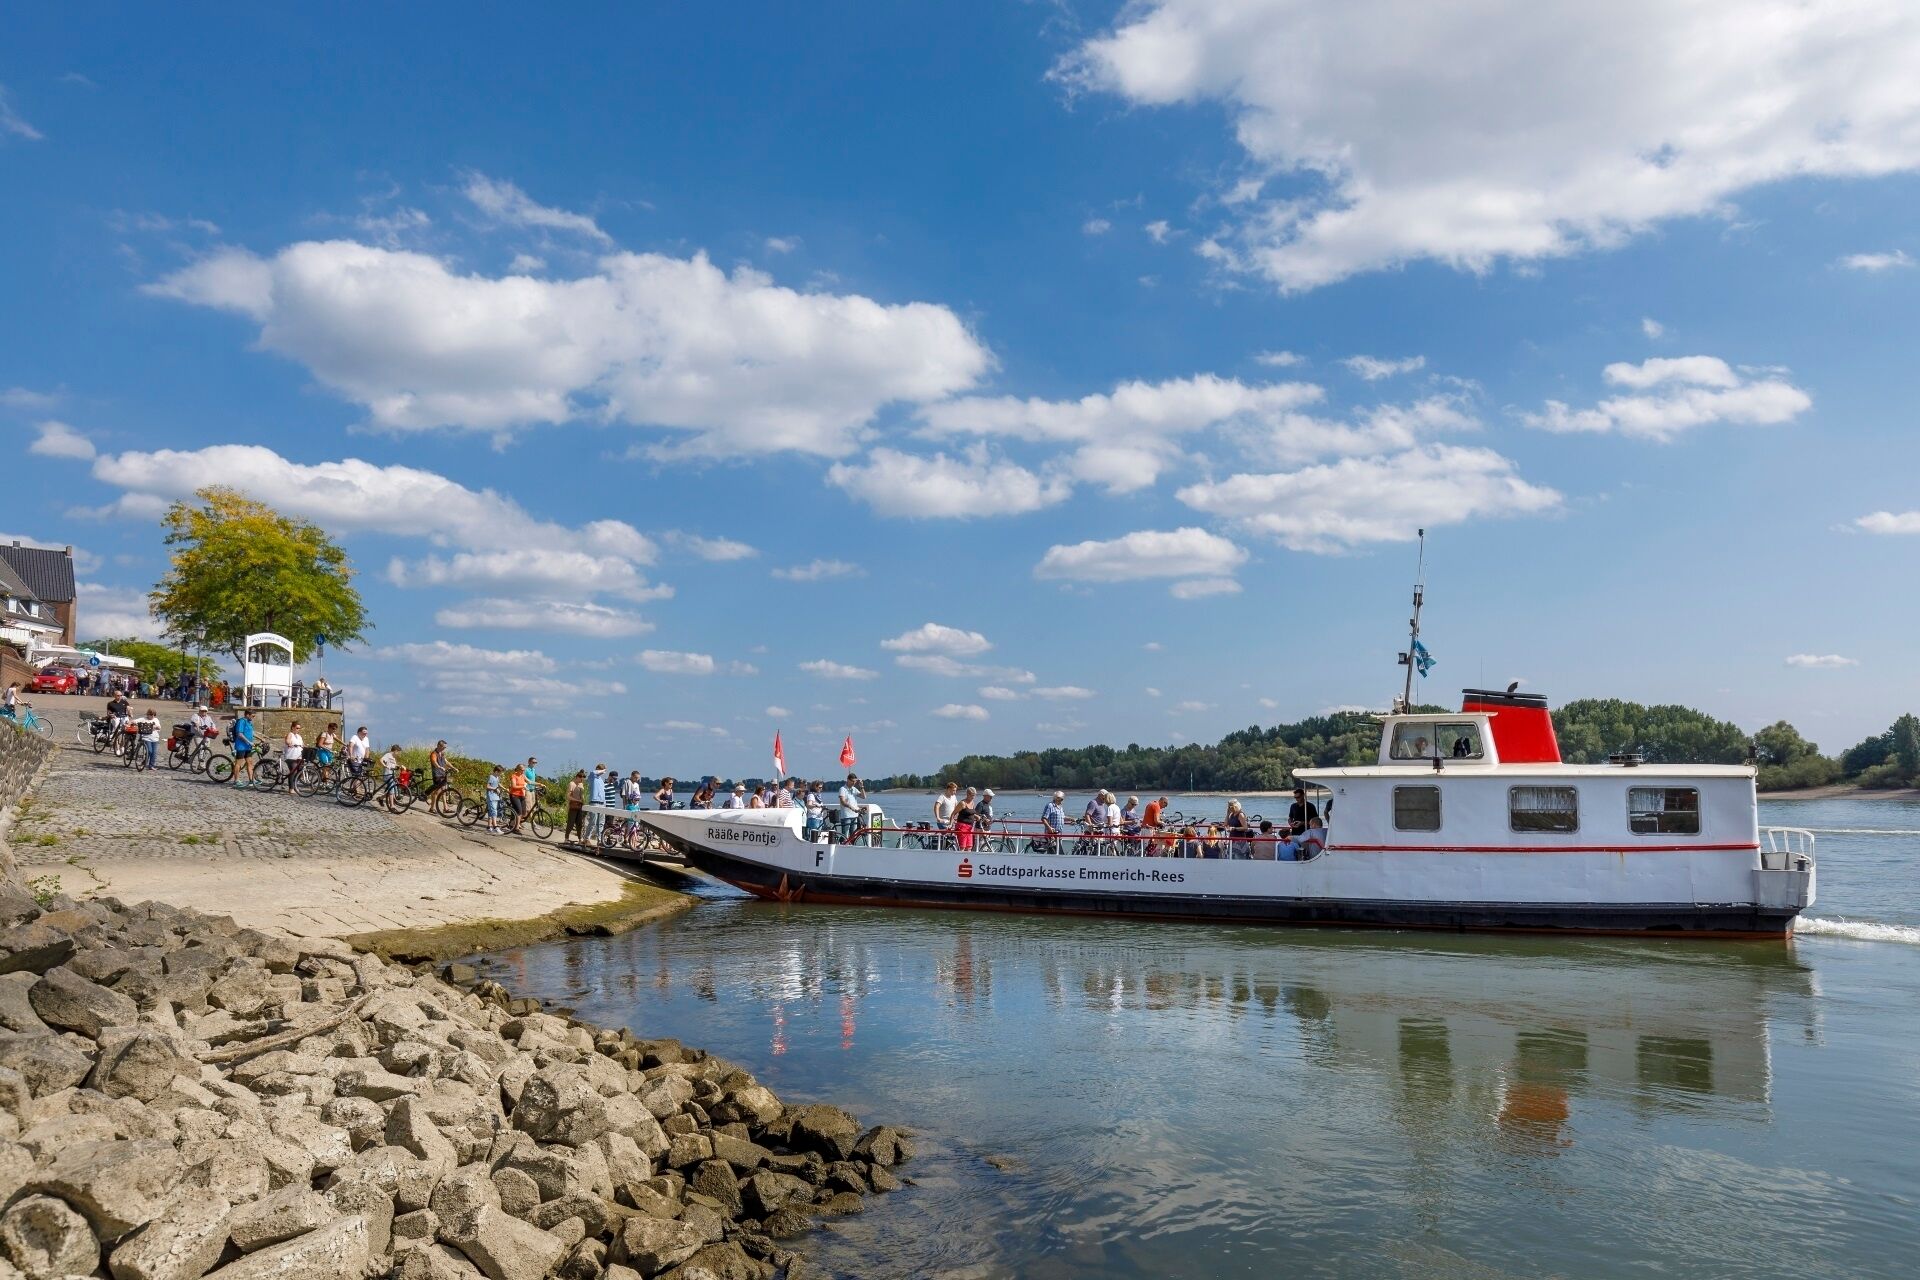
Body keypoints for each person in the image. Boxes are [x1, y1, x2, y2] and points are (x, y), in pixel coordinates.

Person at [231, 709, 256, 787]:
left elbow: (252, 733)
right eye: (253, 716)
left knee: (250, 762)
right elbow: (240, 734)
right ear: (247, 715)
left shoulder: (249, 722)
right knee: (238, 763)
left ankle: (251, 780)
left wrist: (261, 738)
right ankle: (236, 780)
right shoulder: (241, 721)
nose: (253, 717)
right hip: (241, 746)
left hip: (248, 746)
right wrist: (249, 742)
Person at [837, 773, 864, 841]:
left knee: (853, 835)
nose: (854, 783)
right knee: (845, 835)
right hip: (846, 816)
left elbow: (863, 796)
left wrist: (861, 786)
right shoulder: (842, 789)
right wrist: (852, 807)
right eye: (852, 781)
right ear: (848, 780)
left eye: (855, 781)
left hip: (854, 815)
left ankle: (851, 848)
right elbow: (843, 802)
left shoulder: (854, 789)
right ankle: (843, 848)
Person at [586, 765, 609, 845]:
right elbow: (593, 772)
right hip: (594, 802)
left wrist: (605, 803)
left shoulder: (601, 780)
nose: (603, 772)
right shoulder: (592, 777)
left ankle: (599, 840)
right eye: (602, 770)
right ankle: (586, 838)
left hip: (602, 803)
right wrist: (603, 770)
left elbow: (603, 792)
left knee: (601, 823)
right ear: (598, 769)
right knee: (593, 822)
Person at [378, 744, 403, 812]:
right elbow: (381, 760)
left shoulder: (393, 758)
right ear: (395, 751)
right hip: (387, 775)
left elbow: (394, 766)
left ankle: (380, 798)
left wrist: (400, 766)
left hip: (392, 775)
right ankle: (392, 806)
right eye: (398, 752)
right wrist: (385, 766)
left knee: (392, 790)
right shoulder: (388, 755)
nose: (398, 754)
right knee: (391, 790)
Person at [281, 721, 304, 789]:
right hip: (291, 757)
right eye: (297, 728)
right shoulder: (290, 734)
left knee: (300, 771)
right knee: (293, 771)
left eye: (299, 728)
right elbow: (287, 740)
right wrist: (289, 743)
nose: (298, 730)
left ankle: (294, 784)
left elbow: (302, 744)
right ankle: (291, 788)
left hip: (299, 756)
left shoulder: (299, 736)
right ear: (293, 727)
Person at [565, 771, 587, 843]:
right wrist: (577, 800)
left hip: (580, 806)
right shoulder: (571, 784)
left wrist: (583, 802)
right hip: (573, 806)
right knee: (570, 823)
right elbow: (568, 796)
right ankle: (566, 838)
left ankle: (580, 839)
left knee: (579, 823)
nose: (581, 781)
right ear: (577, 777)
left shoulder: (581, 784)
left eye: (582, 780)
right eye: (581, 780)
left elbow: (582, 795)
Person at [507, 763, 528, 833]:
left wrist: (539, 784)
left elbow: (529, 781)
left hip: (521, 795)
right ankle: (516, 828)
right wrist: (522, 787)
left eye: (524, 770)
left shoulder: (523, 775)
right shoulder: (514, 776)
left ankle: (512, 823)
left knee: (524, 813)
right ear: (518, 769)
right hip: (514, 795)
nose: (523, 771)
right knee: (519, 812)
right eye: (522, 770)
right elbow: (514, 786)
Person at [426, 739, 449, 804]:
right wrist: (440, 767)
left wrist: (453, 768)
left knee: (443, 791)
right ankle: (432, 806)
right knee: (437, 792)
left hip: (442, 774)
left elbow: (446, 762)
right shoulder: (434, 753)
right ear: (439, 746)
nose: (444, 748)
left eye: (445, 747)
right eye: (444, 747)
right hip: (437, 775)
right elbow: (434, 762)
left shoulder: (442, 754)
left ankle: (445, 808)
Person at [485, 765, 504, 835]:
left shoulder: (497, 777)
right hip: (491, 796)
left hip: (496, 796)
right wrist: (495, 789)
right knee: (494, 811)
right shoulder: (491, 777)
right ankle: (495, 827)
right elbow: (487, 786)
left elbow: (498, 784)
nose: (500, 774)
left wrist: (505, 789)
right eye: (500, 772)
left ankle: (489, 827)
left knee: (491, 812)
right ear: (496, 771)